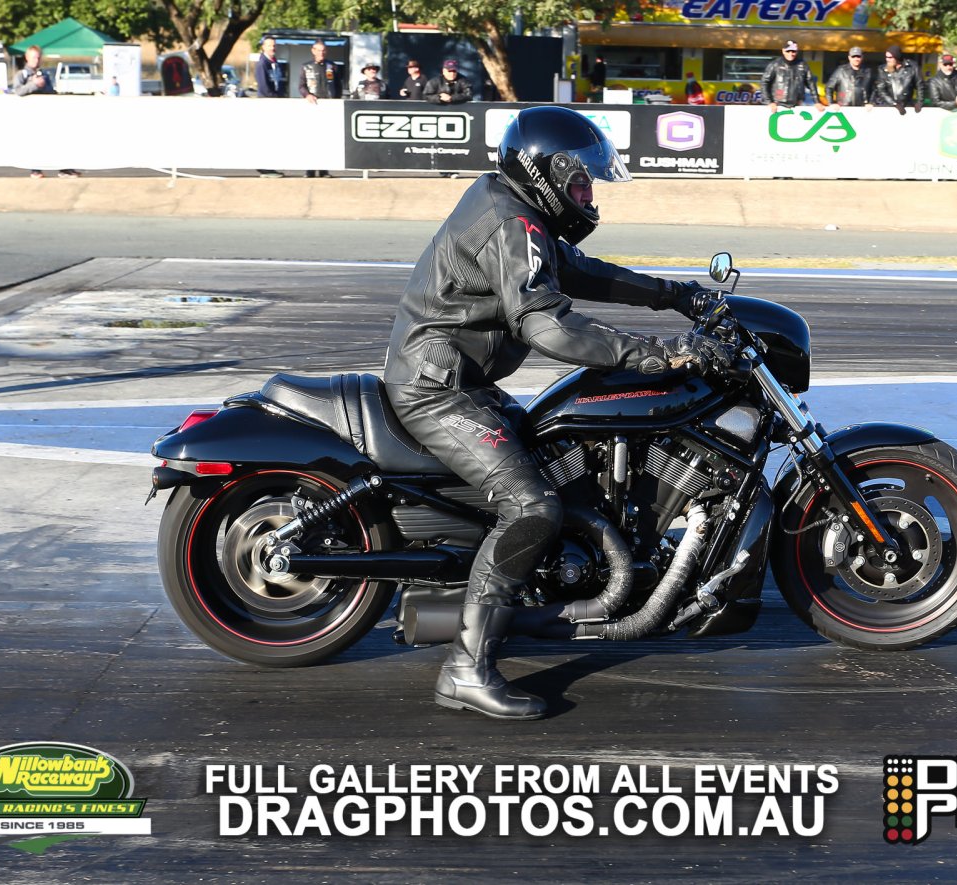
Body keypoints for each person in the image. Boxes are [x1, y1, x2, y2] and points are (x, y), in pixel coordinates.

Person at [382, 106, 730, 720]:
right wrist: (657, 354)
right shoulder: (509, 222)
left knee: (564, 461)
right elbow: (550, 328)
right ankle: (466, 668)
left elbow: (578, 271)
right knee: (532, 504)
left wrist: (673, 296)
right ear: (547, 173)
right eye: (580, 182)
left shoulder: (519, 211)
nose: (587, 194)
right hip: (439, 389)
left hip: (461, 378)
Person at [12, 46, 79, 179]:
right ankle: (35, 170)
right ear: (27, 58)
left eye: (38, 57)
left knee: (58, 140)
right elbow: (18, 91)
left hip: (47, 114)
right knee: (35, 142)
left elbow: (50, 92)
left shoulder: (44, 74)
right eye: (33, 57)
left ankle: (65, 169)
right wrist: (34, 84)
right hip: (31, 116)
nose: (36, 60)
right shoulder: (21, 75)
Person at [300, 40, 342, 178]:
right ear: (313, 50)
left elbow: (338, 86)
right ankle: (310, 169)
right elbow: (301, 86)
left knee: (327, 139)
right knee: (311, 138)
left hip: (329, 106)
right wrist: (307, 95)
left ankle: (324, 170)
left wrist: (336, 101)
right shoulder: (306, 67)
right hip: (313, 106)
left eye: (323, 50)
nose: (321, 53)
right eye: (318, 50)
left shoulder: (332, 66)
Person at [255, 37, 286, 179]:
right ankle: (264, 167)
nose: (272, 48)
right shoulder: (262, 63)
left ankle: (269, 166)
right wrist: (274, 99)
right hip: (267, 104)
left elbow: (279, 82)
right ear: (263, 47)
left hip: (275, 103)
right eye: (269, 45)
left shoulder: (275, 63)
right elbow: (264, 86)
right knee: (266, 136)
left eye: (274, 45)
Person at [760, 40, 817, 112]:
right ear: (783, 51)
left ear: (797, 51)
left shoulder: (803, 64)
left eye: (793, 51)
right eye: (788, 51)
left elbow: (811, 83)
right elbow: (764, 82)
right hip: (777, 105)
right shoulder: (775, 64)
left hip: (798, 105)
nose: (791, 54)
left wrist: (817, 102)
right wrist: (769, 102)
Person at [872, 44, 919, 114]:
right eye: (886, 57)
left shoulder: (910, 68)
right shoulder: (883, 69)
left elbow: (919, 85)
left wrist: (919, 102)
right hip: (888, 107)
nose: (887, 59)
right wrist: (894, 104)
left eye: (890, 57)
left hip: (906, 106)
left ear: (897, 57)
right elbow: (881, 90)